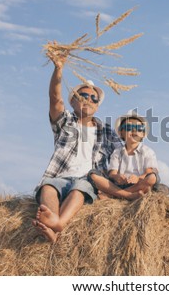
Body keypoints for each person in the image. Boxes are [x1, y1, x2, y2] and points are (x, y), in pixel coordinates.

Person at [32, 45, 122, 243]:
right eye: (82, 96)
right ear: (72, 101)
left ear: (97, 106)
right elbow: (55, 99)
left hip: (87, 180)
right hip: (59, 176)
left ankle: (58, 225)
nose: (88, 100)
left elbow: (123, 155)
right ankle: (53, 222)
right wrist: (59, 68)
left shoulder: (106, 131)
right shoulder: (65, 123)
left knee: (80, 187)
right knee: (47, 187)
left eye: (93, 98)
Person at [89, 111, 168, 200]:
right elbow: (112, 173)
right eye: (129, 127)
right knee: (93, 174)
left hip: (139, 184)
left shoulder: (147, 151)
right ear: (121, 133)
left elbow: (148, 172)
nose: (134, 130)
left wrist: (138, 178)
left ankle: (114, 196)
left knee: (152, 178)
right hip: (120, 185)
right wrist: (117, 177)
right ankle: (126, 195)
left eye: (139, 128)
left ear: (142, 134)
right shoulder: (117, 152)